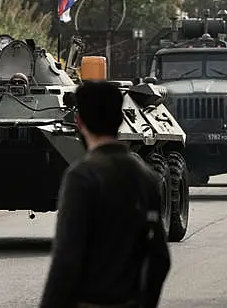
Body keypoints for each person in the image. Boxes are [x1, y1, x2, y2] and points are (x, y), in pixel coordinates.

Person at [39, 81, 171, 308]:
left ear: (79, 122)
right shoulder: (146, 177)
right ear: (121, 119)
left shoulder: (82, 176)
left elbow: (67, 258)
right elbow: (159, 258)